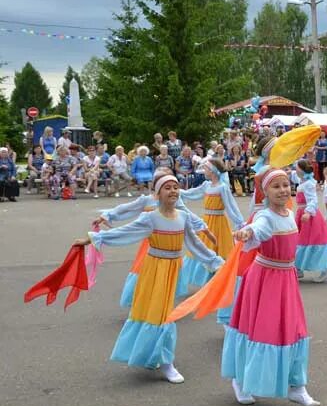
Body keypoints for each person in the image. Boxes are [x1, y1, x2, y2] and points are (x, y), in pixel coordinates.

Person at [75, 174, 223, 384]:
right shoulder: (151, 217)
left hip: (172, 269)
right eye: (167, 188)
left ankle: (159, 357)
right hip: (154, 268)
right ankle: (165, 362)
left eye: (176, 187)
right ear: (157, 193)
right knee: (157, 312)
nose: (173, 191)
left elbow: (195, 244)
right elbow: (125, 232)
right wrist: (93, 239)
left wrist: (217, 262)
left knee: (162, 312)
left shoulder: (183, 217)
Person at [221, 168, 320, 406]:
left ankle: (297, 387)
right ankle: (241, 381)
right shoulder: (264, 216)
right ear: (265, 191)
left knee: (294, 329)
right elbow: (260, 229)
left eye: (285, 185)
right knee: (261, 330)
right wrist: (248, 230)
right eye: (276, 186)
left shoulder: (289, 213)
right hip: (265, 279)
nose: (283, 190)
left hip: (287, 278)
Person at [93, 168, 213, 309]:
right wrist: (107, 215)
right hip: (151, 243)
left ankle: (161, 302)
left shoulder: (175, 201)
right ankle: (143, 299)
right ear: (157, 187)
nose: (171, 189)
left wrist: (202, 226)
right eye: (165, 185)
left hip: (170, 243)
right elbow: (125, 208)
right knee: (144, 271)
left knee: (167, 273)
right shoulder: (146, 201)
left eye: (173, 185)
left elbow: (187, 214)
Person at [179, 159, 244, 312]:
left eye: (207, 169)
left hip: (219, 223)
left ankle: (216, 286)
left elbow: (231, 206)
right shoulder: (206, 186)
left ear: (213, 171)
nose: (204, 172)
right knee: (201, 250)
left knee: (217, 252)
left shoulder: (222, 188)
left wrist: (240, 223)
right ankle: (207, 286)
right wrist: (177, 191)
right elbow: (191, 194)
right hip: (206, 222)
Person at [294, 159, 327, 283]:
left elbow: (313, 200)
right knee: (299, 242)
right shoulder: (303, 181)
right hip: (301, 215)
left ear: (302, 169)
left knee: (313, 242)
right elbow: (293, 177)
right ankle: (298, 269)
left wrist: (308, 212)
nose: (295, 169)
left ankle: (324, 270)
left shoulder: (308, 183)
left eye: (297, 167)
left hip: (309, 216)